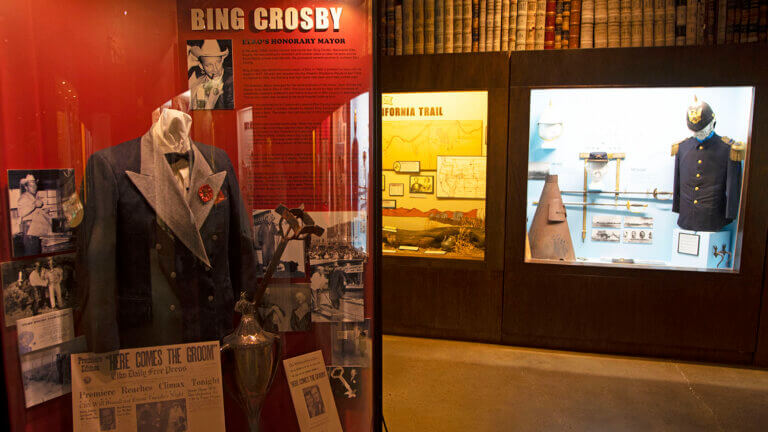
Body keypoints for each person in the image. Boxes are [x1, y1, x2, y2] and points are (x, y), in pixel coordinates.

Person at [672, 97, 744, 232]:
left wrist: (730, 214)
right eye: (695, 130)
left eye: (702, 128)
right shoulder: (682, 147)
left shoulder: (728, 148)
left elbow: (733, 188)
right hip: (686, 218)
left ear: (712, 123)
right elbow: (678, 184)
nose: (699, 133)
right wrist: (677, 207)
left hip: (713, 218)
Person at [188, 40, 234, 110]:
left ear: (222, 60)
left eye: (218, 63)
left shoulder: (232, 80)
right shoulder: (198, 83)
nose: (215, 69)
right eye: (209, 65)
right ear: (201, 66)